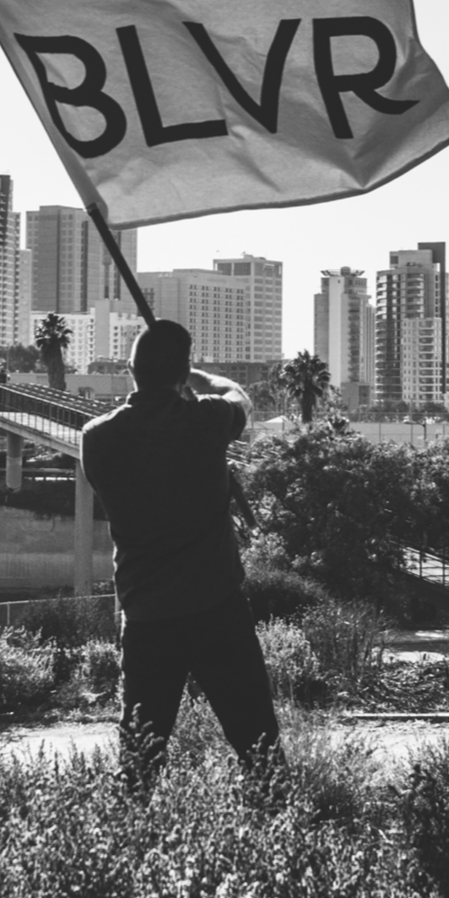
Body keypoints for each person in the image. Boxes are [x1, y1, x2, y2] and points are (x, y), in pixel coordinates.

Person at [81, 319, 283, 791]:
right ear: (182, 371)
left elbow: (148, 440)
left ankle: (127, 848)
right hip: (217, 609)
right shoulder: (206, 420)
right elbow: (239, 398)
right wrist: (194, 381)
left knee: (140, 759)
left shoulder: (98, 437)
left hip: (148, 617)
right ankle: (281, 840)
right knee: (259, 746)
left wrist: (173, 386)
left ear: (130, 369)